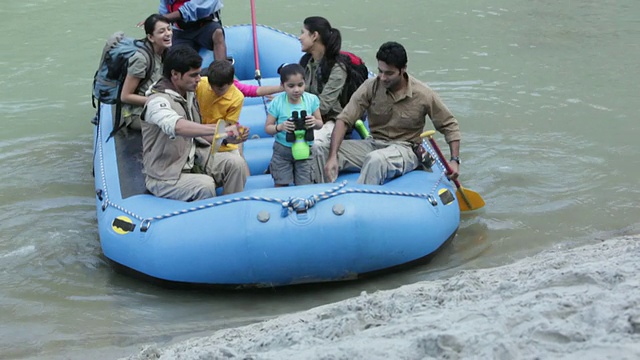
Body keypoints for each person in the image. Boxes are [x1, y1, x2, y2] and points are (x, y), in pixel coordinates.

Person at [315, 41, 461, 185]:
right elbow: (344, 120)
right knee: (320, 150)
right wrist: (333, 156)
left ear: (403, 69)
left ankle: (361, 202)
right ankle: (317, 198)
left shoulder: (423, 94)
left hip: (405, 148)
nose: (383, 77)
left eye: (389, 73)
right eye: (380, 71)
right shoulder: (370, 86)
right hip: (374, 143)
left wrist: (454, 160)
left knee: (376, 160)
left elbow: (449, 125)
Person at [141, 45, 248, 201]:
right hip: (166, 174)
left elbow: (199, 136)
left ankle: (230, 211)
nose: (199, 79)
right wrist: (217, 129)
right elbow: (177, 126)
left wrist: (227, 137)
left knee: (236, 163)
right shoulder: (156, 102)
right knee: (205, 185)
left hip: (194, 158)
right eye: (193, 75)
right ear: (175, 75)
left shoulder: (190, 93)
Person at [264, 64, 323, 187]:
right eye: (291, 86)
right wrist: (279, 127)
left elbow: (320, 123)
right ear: (282, 86)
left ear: (305, 83)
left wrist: (314, 122)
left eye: (300, 85)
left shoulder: (311, 100)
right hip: (283, 150)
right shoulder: (277, 102)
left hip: (305, 149)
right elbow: (268, 128)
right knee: (281, 183)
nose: (296, 90)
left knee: (305, 184)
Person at [298, 16, 347, 144]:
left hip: (331, 121)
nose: (300, 37)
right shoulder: (305, 62)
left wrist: (294, 105)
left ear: (314, 36)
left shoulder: (337, 68)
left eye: (303, 33)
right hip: (308, 116)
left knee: (310, 141)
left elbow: (324, 106)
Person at [120, 14, 173, 131]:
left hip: (158, 106)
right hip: (136, 114)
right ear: (150, 37)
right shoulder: (141, 59)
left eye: (169, 29)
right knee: (173, 126)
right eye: (161, 31)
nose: (168, 33)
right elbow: (125, 96)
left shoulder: (165, 52)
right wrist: (159, 101)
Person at [157, 0, 227, 61]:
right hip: (182, 31)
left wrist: (162, 18)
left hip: (205, 26)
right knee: (176, 58)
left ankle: (221, 70)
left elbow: (195, 8)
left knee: (218, 33)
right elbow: (164, 11)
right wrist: (158, 20)